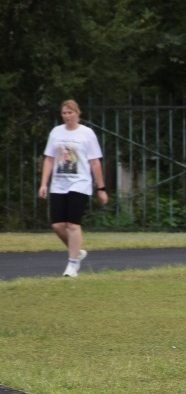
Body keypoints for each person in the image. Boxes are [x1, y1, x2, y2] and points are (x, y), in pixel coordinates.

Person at [38, 100, 109, 278]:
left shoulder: (87, 133)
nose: (67, 116)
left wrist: (101, 188)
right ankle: (77, 251)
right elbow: (49, 159)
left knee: (72, 224)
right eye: (64, 113)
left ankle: (72, 264)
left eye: (70, 113)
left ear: (78, 113)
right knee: (57, 225)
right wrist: (44, 183)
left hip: (80, 183)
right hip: (58, 184)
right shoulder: (56, 132)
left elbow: (95, 162)